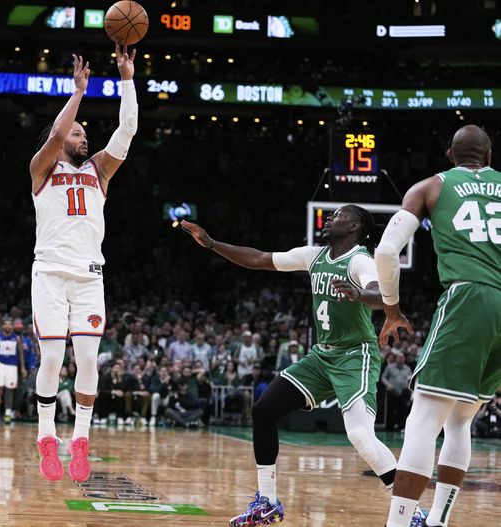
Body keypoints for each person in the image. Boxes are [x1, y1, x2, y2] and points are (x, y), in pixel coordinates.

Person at [179, 205, 399, 527]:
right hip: (322, 356)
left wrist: (360, 294)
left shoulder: (360, 260)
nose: (329, 218)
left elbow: (380, 294)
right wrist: (213, 244)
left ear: (355, 227)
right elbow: (258, 259)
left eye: (338, 215)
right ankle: (267, 502)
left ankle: (410, 511)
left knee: (360, 436)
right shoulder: (314, 255)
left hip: (355, 355)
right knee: (264, 409)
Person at [376, 125, 501, 527]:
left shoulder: (430, 187)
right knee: (461, 418)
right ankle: (438, 521)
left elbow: (386, 251)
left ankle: (398, 523)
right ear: (490, 156)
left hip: (469, 299)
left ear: (450, 155)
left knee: (424, 420)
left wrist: (392, 310)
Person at [29, 44, 138, 482]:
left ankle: (80, 440)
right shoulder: (41, 168)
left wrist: (126, 78)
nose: (83, 137)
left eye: (84, 134)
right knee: (53, 357)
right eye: (79, 133)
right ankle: (45, 438)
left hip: (90, 278)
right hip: (50, 275)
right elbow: (56, 136)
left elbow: (127, 130)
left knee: (90, 361)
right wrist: (78, 93)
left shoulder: (99, 171)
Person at [0, 319, 25, 425]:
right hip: (0, 364)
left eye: (10, 324)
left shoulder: (17, 338)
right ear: (2, 326)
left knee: (9, 390)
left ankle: (7, 414)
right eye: (6, 324)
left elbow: (21, 354)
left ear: (12, 327)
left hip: (12, 366)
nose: (8, 326)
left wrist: (22, 368)